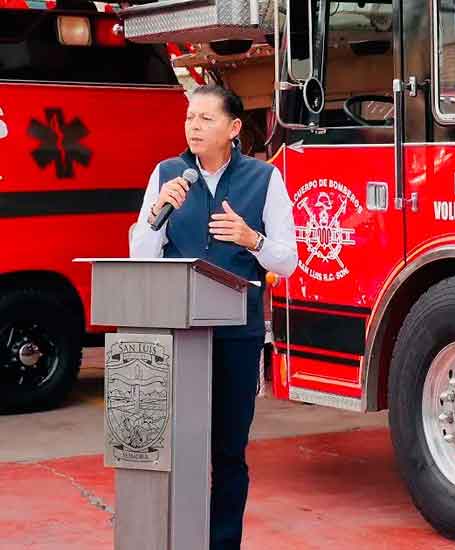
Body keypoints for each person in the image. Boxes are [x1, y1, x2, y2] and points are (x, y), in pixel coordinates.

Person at [130, 85, 298, 550]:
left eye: (205, 119)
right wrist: (155, 217)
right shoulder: (168, 175)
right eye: (189, 118)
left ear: (234, 128)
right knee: (178, 448)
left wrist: (252, 239)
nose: (194, 127)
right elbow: (140, 255)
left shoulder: (264, 180)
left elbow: (288, 261)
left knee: (227, 451)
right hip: (177, 335)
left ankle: (222, 544)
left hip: (235, 336)